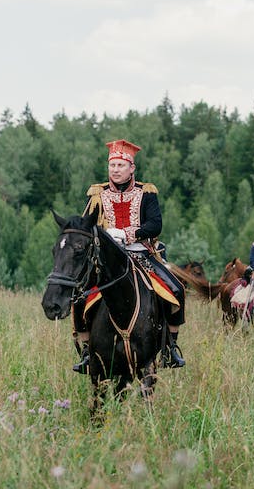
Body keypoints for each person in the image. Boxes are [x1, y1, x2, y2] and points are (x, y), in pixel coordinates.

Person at [71, 138, 186, 373]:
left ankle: (169, 347)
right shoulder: (96, 194)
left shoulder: (147, 193)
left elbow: (155, 225)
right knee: (79, 296)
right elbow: (86, 226)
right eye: (112, 166)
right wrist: (104, 237)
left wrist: (127, 234)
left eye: (120, 166)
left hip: (141, 252)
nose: (115, 170)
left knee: (176, 290)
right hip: (106, 258)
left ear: (131, 168)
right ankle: (86, 352)